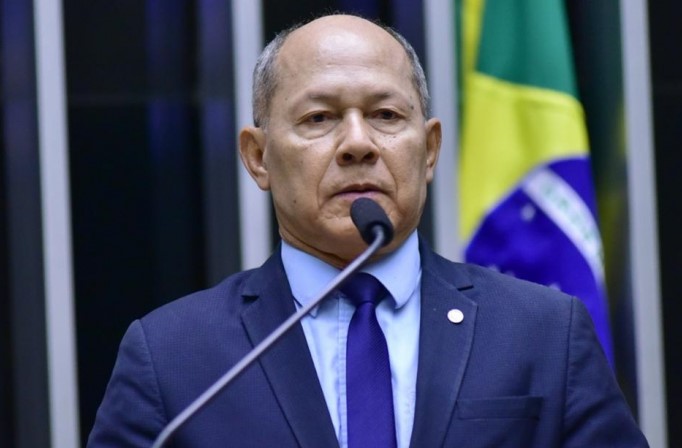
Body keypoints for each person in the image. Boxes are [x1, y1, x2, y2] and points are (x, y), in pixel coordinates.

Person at [88, 14, 648, 448]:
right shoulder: (173, 357)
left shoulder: (543, 332)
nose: (358, 143)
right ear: (258, 158)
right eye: (319, 118)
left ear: (429, 150)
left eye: (385, 115)